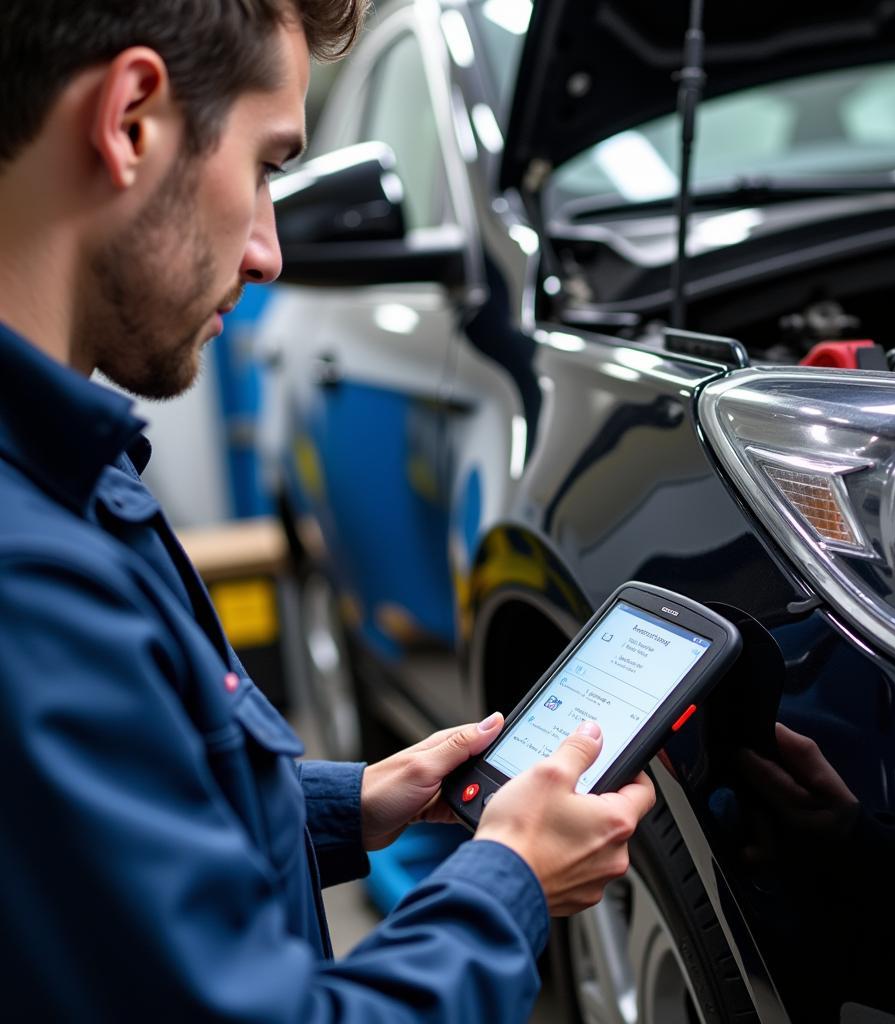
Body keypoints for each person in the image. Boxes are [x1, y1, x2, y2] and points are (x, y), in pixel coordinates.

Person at [0, 1, 656, 1019]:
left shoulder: (64, 477)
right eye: (265, 166)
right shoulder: (31, 577)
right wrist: (509, 882)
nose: (268, 252)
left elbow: (104, 840)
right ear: (129, 119)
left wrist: (347, 803)